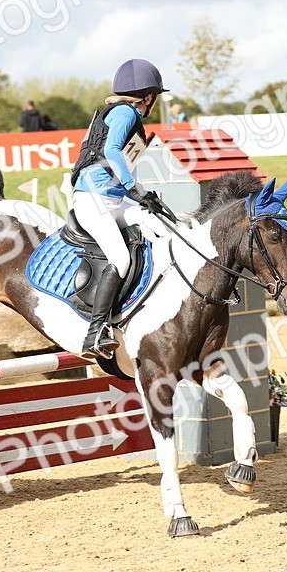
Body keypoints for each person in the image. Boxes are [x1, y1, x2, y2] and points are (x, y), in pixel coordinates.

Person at [70, 58, 172, 359]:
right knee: (120, 257)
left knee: (158, 225)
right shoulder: (126, 112)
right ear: (149, 97)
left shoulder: (122, 115)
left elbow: (125, 164)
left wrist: (144, 197)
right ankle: (96, 332)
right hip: (94, 200)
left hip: (114, 200)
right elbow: (111, 150)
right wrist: (132, 189)